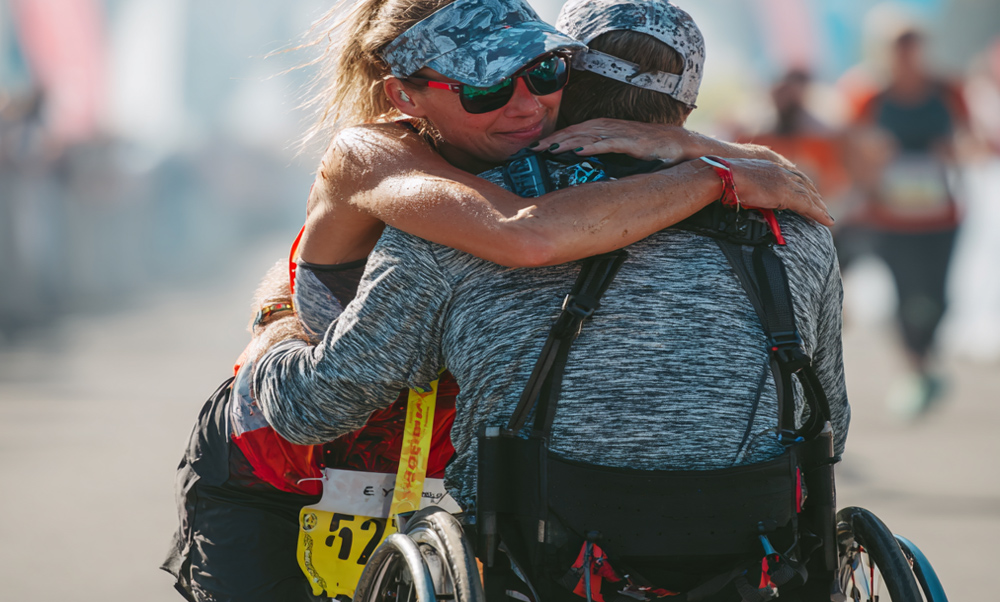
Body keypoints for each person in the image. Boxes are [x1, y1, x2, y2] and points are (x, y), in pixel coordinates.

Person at [161, 0, 833, 600]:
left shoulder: (541, 172)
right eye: (485, 88)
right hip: (284, 450)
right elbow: (528, 234)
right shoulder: (382, 158)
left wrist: (705, 151)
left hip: (427, 467)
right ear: (403, 96)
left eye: (544, 72)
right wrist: (715, 174)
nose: (525, 105)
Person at [840, 24, 968, 417]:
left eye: (912, 49)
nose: (905, 58)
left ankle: (924, 360)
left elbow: (971, 141)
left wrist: (951, 152)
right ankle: (915, 371)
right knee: (906, 292)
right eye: (897, 50)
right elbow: (848, 147)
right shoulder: (868, 95)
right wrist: (871, 171)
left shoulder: (948, 91)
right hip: (889, 216)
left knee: (939, 297)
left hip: (939, 213)